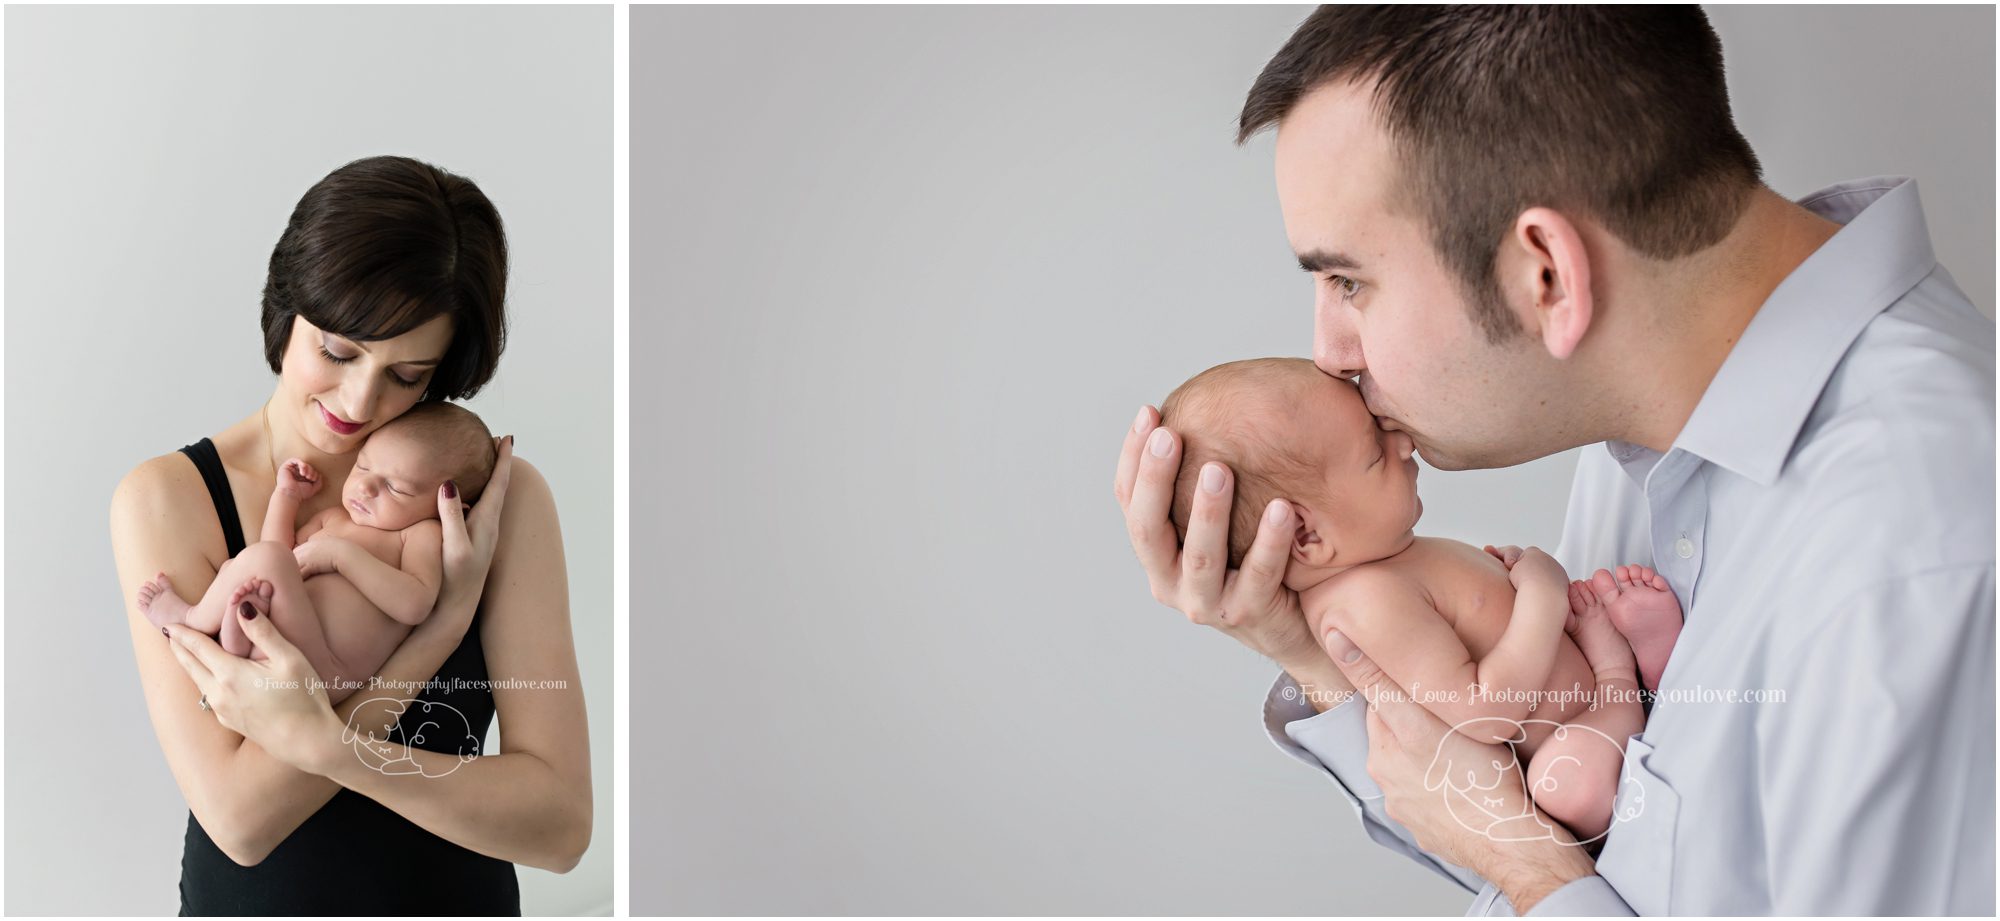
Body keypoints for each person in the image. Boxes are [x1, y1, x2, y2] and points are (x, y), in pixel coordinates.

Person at [1114, 7, 1993, 915]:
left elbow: (1544, 870)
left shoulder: (1922, 559)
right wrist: (1315, 653)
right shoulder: (1645, 435)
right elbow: (1579, 841)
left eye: (1349, 282)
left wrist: (1537, 879)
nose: (1330, 351)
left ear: (1547, 276)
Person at [110, 155, 591, 914]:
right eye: (338, 351)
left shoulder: (491, 501)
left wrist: (333, 748)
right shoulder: (169, 498)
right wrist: (437, 631)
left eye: (408, 375)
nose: (358, 399)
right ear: (287, 310)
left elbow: (561, 827)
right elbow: (239, 820)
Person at [1159, 357, 1674, 841]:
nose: (1402, 443)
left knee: (1605, 604)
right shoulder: (1365, 602)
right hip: (1576, 730)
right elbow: (1485, 713)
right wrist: (1543, 593)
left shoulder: (1382, 563)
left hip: (1571, 687)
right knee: (1570, 785)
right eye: (1374, 452)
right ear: (1304, 537)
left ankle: (1635, 667)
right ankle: (1621, 679)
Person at [136, 402, 498, 707]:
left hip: (329, 671)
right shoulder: (333, 519)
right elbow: (280, 555)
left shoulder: (418, 534)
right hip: (284, 649)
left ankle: (193, 618)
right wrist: (287, 499)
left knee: (262, 563)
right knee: (253, 569)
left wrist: (341, 557)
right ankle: (236, 637)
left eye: (395, 488)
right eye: (365, 466)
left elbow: (415, 604)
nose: (366, 488)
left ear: (445, 505)